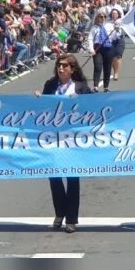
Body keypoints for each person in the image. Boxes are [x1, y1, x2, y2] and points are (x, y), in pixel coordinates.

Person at [36, 53, 94, 233]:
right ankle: (59, 212)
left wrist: (81, 100)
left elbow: (94, 107)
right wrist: (38, 98)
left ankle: (71, 218)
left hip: (74, 139)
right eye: (59, 65)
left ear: (72, 69)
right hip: (52, 138)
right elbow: (41, 108)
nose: (61, 68)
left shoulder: (81, 87)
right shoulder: (50, 85)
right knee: (54, 176)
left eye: (65, 66)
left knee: (72, 177)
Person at [87, 12, 116, 93]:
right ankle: (95, 86)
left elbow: (114, 37)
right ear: (97, 18)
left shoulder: (109, 26)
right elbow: (90, 39)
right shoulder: (94, 28)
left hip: (108, 48)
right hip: (98, 48)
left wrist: (116, 30)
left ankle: (106, 87)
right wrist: (91, 50)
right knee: (97, 66)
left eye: (104, 17)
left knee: (107, 67)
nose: (103, 18)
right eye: (101, 17)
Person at [108, 7, 128, 81]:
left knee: (118, 57)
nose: (114, 15)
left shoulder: (122, 21)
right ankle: (114, 70)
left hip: (120, 40)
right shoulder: (108, 22)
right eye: (113, 14)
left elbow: (125, 30)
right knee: (113, 57)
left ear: (118, 15)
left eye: (115, 13)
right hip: (111, 40)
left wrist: (120, 26)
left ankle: (116, 73)